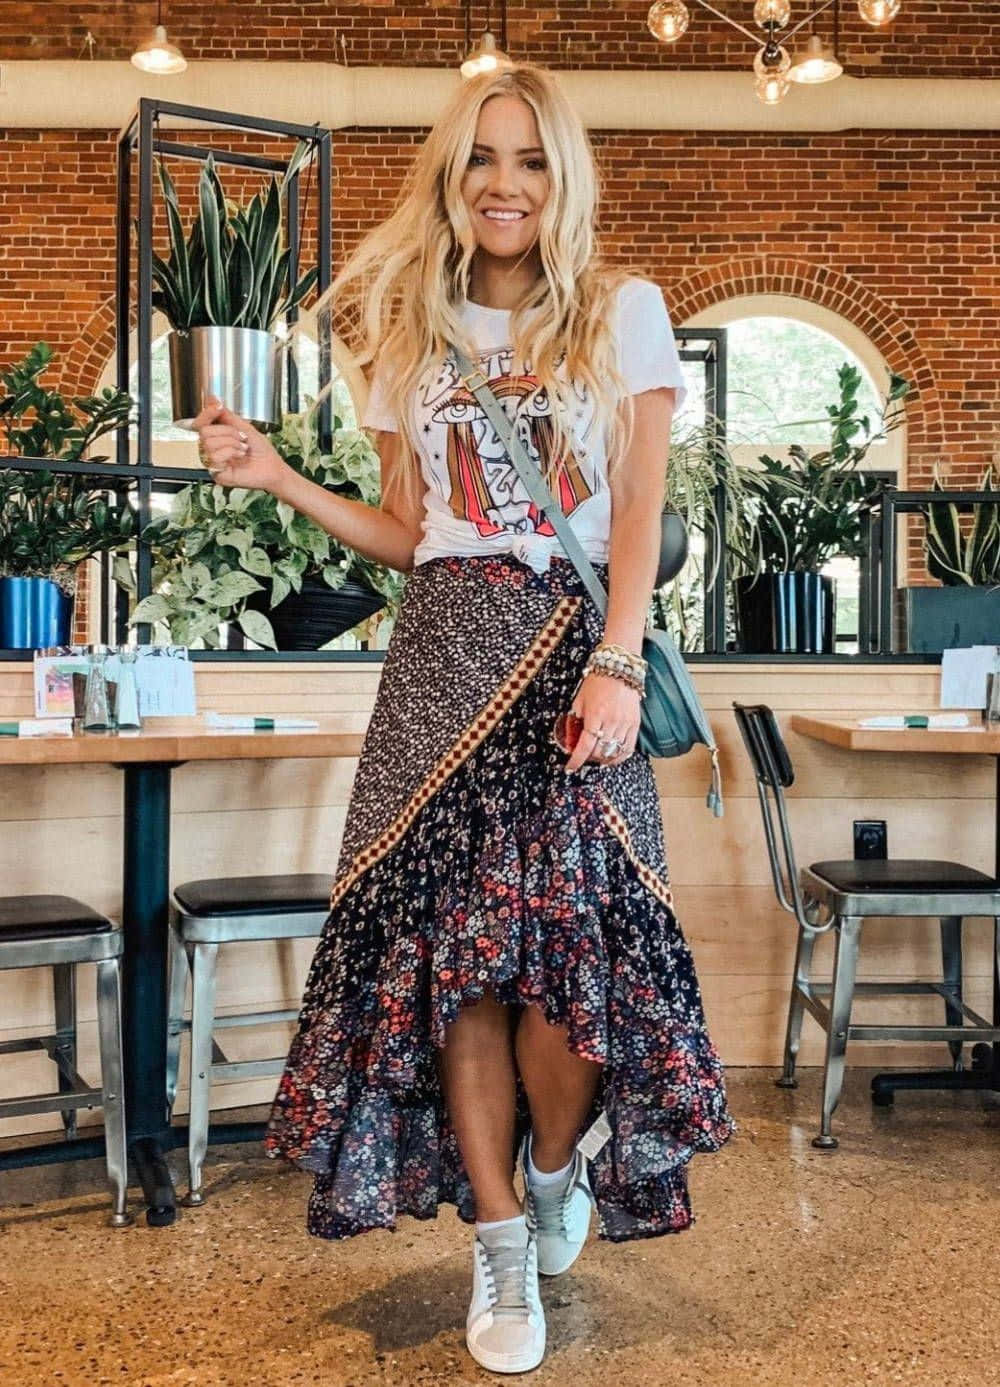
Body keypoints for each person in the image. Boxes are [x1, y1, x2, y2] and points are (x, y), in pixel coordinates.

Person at [192, 62, 734, 1377]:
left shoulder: (626, 312)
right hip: (437, 675)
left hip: (571, 666)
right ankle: (499, 1244)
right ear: (452, 173)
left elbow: (642, 516)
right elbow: (412, 531)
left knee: (570, 973)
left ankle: (556, 1169)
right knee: (457, 976)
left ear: (564, 179)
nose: (505, 184)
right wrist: (277, 479)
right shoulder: (408, 328)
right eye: (484, 158)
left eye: (532, 160)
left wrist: (617, 659)